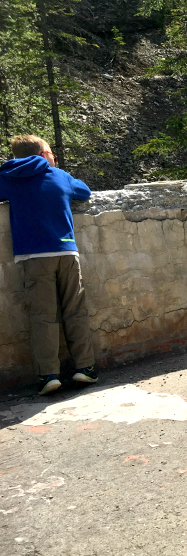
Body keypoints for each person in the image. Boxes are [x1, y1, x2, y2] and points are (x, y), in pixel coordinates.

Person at [0, 135, 97, 395]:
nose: (55, 158)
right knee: (75, 310)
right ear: (44, 155)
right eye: (52, 154)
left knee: (43, 316)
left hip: (33, 257)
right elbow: (85, 192)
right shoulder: (60, 176)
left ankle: (48, 375)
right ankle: (85, 368)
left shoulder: (9, 177)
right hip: (66, 251)